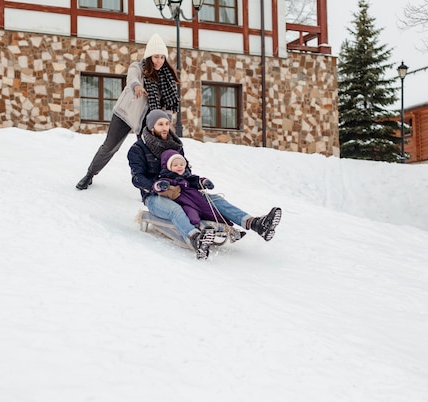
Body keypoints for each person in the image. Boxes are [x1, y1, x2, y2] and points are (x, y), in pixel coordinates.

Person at [127, 109, 282, 259]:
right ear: (151, 126)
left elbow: (184, 171)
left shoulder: (175, 146)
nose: (165, 128)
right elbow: (137, 178)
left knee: (216, 200)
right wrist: (157, 186)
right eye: (160, 124)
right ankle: (195, 238)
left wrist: (199, 182)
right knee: (175, 210)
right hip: (155, 196)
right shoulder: (138, 149)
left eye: (167, 124)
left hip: (183, 192)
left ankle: (255, 223)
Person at [76, 33, 180, 190]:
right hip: (125, 114)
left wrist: (166, 120)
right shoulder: (137, 67)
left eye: (162, 57)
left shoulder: (166, 79)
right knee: (110, 146)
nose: (159, 61)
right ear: (149, 56)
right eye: (155, 57)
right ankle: (90, 174)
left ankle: (150, 186)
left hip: (148, 120)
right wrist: (137, 86)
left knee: (150, 153)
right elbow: (132, 78)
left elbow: (168, 105)